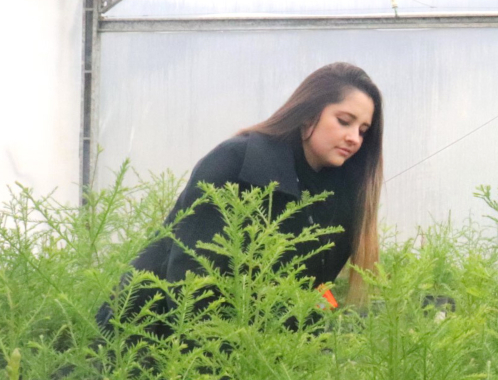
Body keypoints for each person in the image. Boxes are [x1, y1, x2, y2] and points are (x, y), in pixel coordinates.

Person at [97, 62, 383, 337]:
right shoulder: (237, 161)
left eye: (362, 131)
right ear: (308, 116)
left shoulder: (341, 195)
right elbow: (191, 281)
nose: (354, 138)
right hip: (152, 343)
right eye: (344, 121)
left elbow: (313, 294)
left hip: (259, 360)